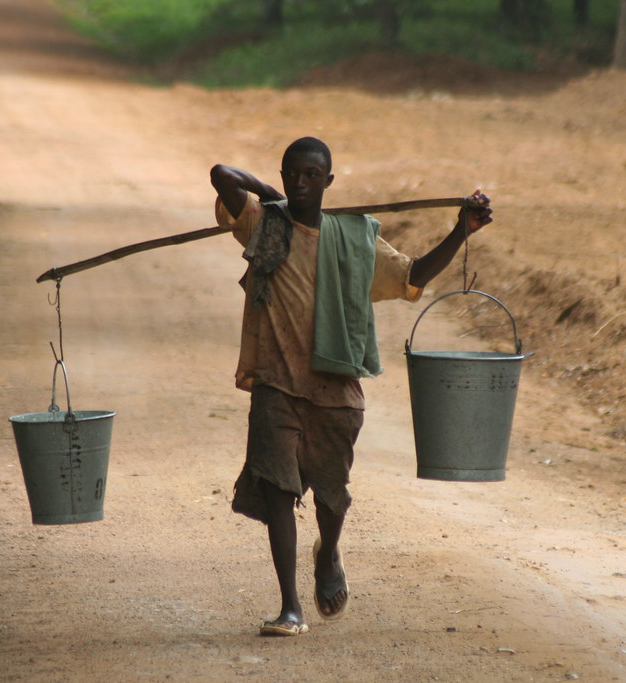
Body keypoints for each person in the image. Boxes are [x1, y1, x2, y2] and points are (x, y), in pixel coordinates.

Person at [210, 137, 492, 637]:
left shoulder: (356, 242)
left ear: (329, 182)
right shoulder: (265, 224)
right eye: (291, 173)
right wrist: (273, 196)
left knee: (330, 496)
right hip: (275, 382)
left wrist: (461, 231)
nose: (300, 183)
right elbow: (222, 175)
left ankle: (328, 554)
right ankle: (290, 606)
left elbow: (415, 275)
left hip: (334, 387)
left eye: (311, 176)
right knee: (278, 489)